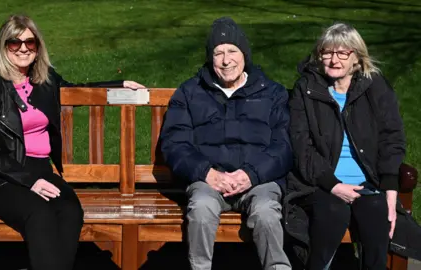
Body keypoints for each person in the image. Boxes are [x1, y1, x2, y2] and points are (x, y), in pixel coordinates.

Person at [0, 14, 144, 270]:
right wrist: (30, 181)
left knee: (70, 211)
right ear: (4, 47)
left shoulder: (45, 80)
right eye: (15, 43)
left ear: (38, 47)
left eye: (31, 42)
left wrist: (119, 85)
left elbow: (78, 89)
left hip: (40, 170)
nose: (24, 48)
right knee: (40, 214)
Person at [160, 17, 292, 270]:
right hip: (208, 181)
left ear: (245, 55)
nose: (225, 59)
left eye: (232, 51)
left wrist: (251, 174)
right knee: (200, 208)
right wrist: (206, 173)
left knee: (266, 213)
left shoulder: (272, 93)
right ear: (210, 58)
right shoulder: (190, 92)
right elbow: (175, 143)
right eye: (218, 53)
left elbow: (283, 146)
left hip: (259, 181)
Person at [284, 22, 405, 270]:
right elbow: (302, 146)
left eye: (343, 53)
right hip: (320, 183)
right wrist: (334, 185)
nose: (334, 60)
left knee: (376, 215)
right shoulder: (305, 89)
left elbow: (392, 138)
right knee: (332, 214)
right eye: (327, 52)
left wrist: (390, 193)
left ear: (356, 58)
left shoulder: (376, 87)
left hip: (368, 184)